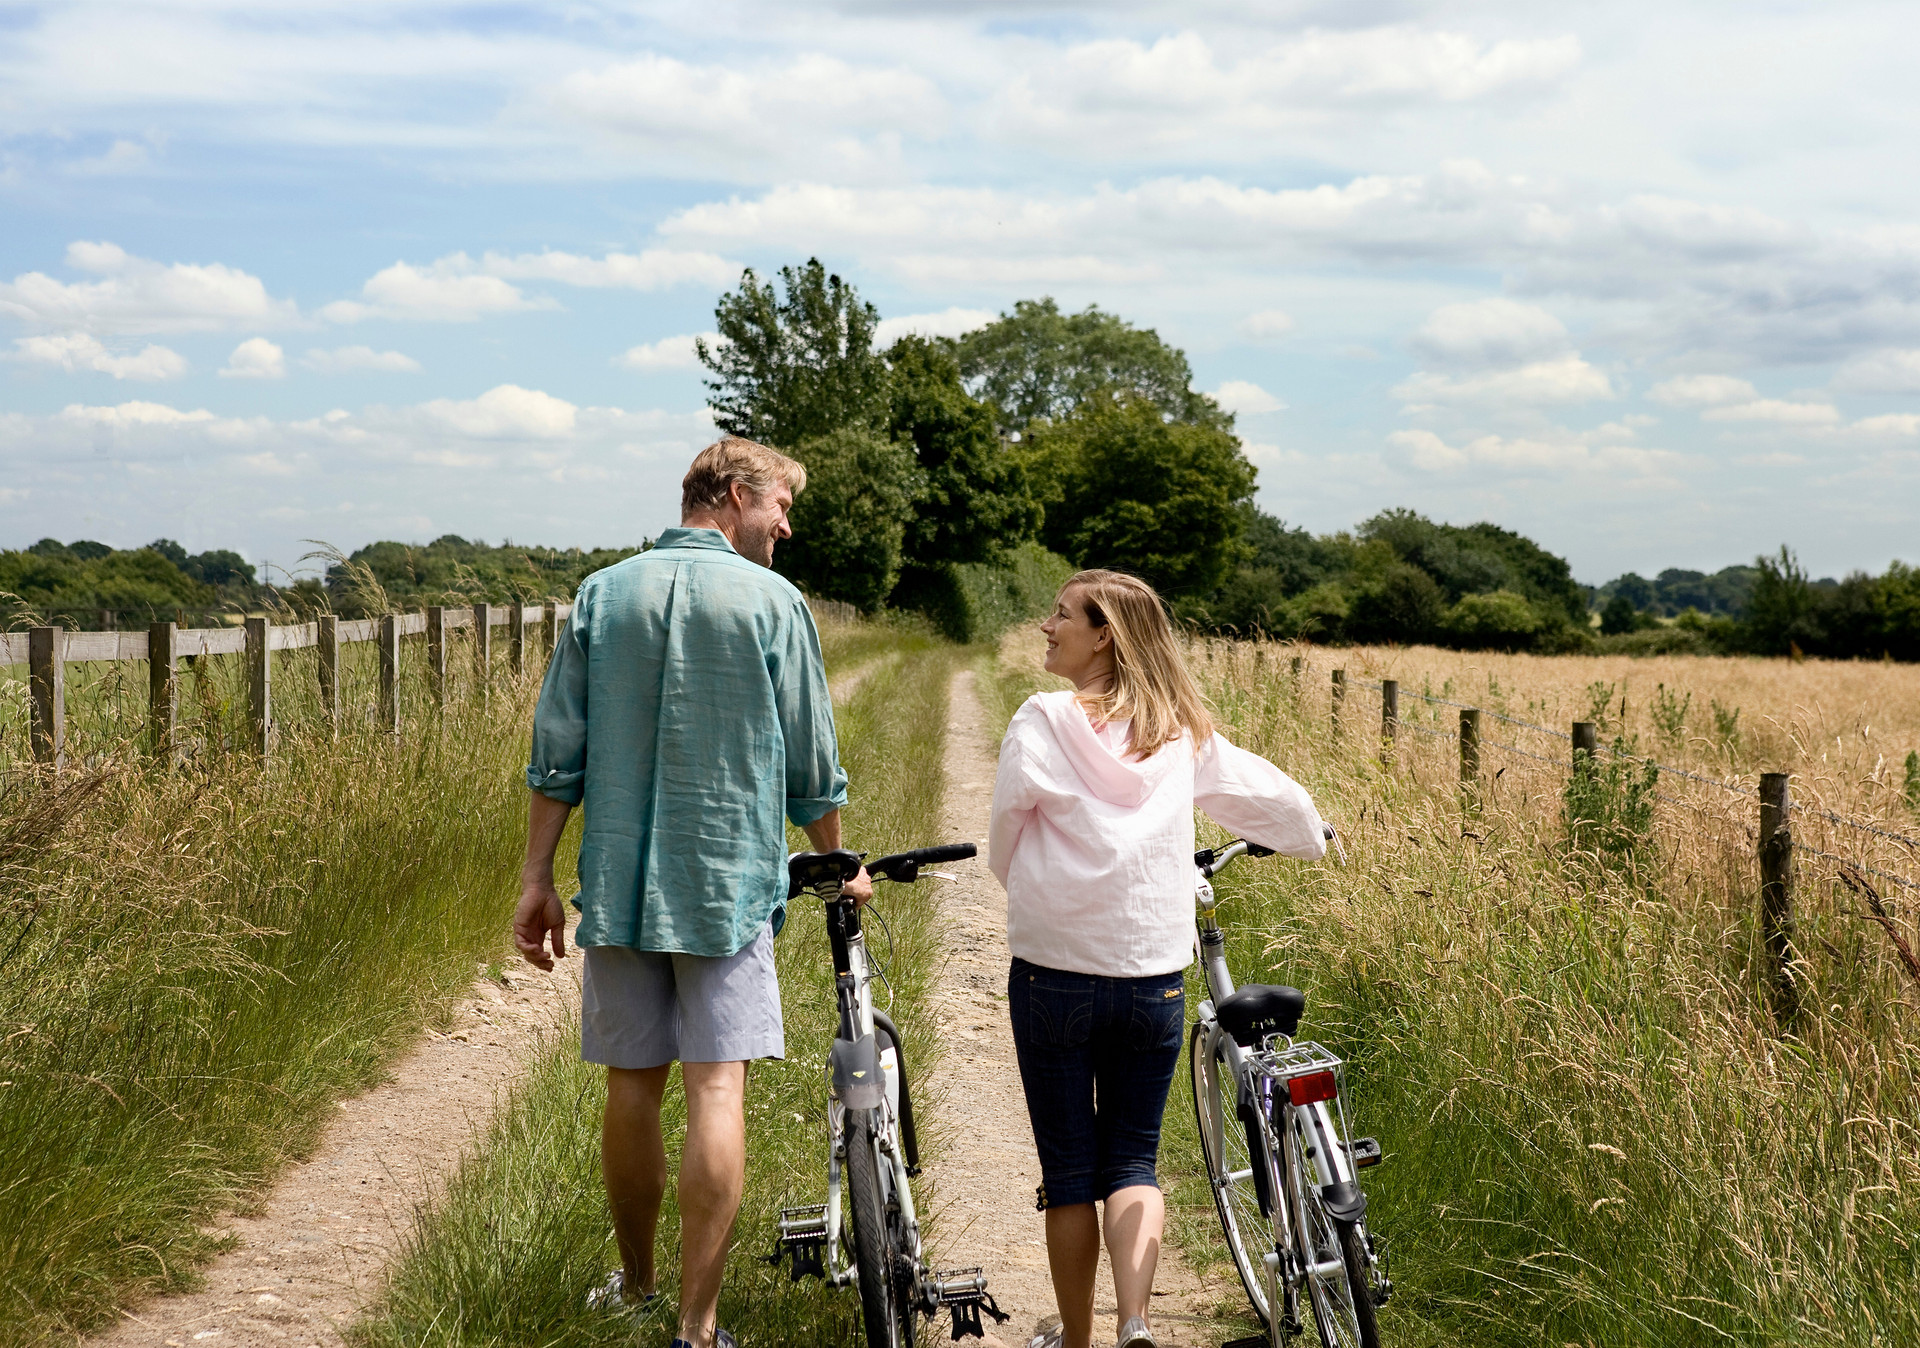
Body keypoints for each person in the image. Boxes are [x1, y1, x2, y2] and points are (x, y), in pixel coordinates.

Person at [514, 436, 871, 1348]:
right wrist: (836, 861)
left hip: (622, 885)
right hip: (727, 886)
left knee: (631, 1091)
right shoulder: (774, 603)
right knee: (717, 1090)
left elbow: (560, 751)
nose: (786, 526)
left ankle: (634, 1285)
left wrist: (536, 879)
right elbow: (810, 761)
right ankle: (697, 1326)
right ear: (735, 495)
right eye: (780, 506)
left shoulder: (604, 592)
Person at [988, 570, 1328, 1348]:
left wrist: (1042, 893)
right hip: (1150, 977)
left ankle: (1078, 1340)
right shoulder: (1176, 731)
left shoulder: (1040, 722)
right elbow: (1267, 797)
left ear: (1104, 633)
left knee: (1071, 1172)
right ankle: (1135, 1322)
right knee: (1135, 1160)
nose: (1047, 626)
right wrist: (1315, 835)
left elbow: (1005, 835)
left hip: (1052, 972)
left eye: (1062, 615)